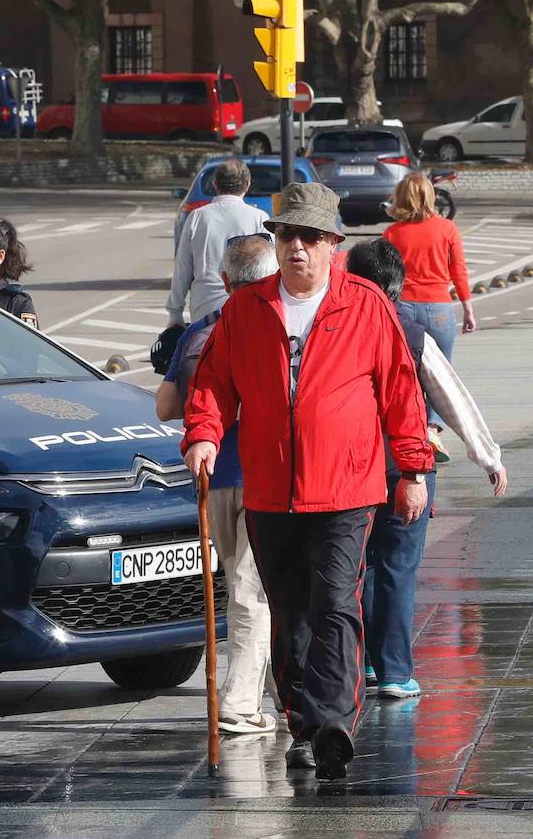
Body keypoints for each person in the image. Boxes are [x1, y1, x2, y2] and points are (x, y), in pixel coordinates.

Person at [182, 182, 433, 782]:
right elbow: (213, 382)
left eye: (311, 237)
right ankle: (303, 725)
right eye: (288, 234)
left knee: (336, 605)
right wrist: (204, 433)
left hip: (347, 487)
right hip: (270, 488)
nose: (297, 247)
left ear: (333, 246)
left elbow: (401, 390)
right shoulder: (246, 310)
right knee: (290, 612)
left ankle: (332, 727)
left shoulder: (367, 305)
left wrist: (414, 469)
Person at [346, 239, 508, 701]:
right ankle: (394, 670)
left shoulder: (334, 325)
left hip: (349, 469)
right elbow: (451, 397)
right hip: (405, 468)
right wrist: (488, 455)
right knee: (396, 566)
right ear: (398, 285)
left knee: (359, 568)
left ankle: (364, 666)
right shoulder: (412, 332)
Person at [156, 232, 279, 734]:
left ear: (224, 280)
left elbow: (165, 407)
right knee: (255, 594)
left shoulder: (199, 332)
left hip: (212, 478)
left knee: (245, 587)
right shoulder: (274, 329)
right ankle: (238, 703)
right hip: (262, 477)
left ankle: (281, 695)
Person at [383, 172, 475, 462]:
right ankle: (432, 428)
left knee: (408, 372)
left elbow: (387, 276)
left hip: (404, 309)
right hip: (439, 309)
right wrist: (468, 307)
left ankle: (412, 427)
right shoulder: (447, 229)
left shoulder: (392, 233)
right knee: (439, 373)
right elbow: (458, 270)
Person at [167, 158, 268, 327]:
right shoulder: (259, 218)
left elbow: (182, 267)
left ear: (215, 184)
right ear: (247, 184)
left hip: (204, 306)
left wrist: (175, 312)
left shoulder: (197, 217)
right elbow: (269, 270)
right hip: (248, 304)